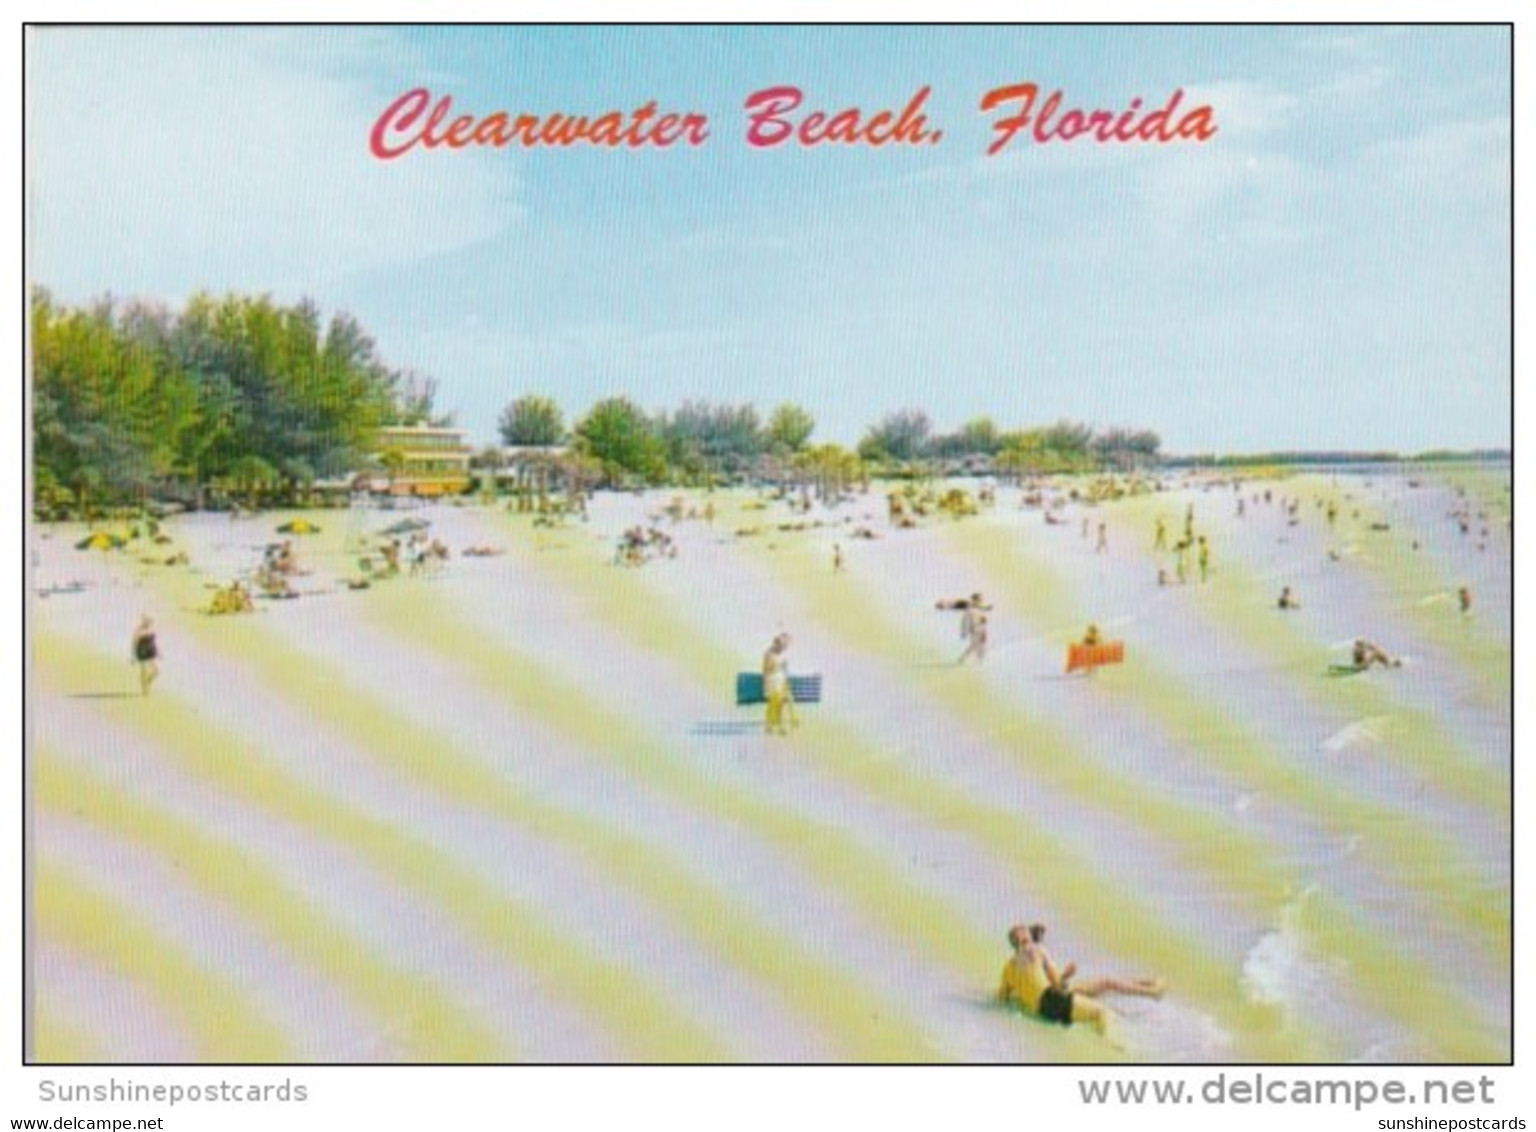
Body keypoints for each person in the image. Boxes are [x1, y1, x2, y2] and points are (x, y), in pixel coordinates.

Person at [997, 923, 1163, 1037]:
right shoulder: (1037, 951)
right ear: (1028, 940)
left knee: (1105, 986)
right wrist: (1067, 974)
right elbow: (1058, 986)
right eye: (1030, 939)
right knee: (1103, 1009)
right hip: (1052, 997)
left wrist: (1022, 998)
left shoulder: (1008, 968)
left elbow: (1002, 998)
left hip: (1043, 1007)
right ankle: (1110, 1049)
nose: (1031, 944)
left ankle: (1150, 987)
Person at [763, 633, 797, 737]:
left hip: (781, 681)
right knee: (775, 703)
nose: (784, 649)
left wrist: (786, 676)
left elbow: (785, 670)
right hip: (772, 681)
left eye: (785, 647)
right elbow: (767, 669)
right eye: (783, 646)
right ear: (777, 644)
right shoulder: (768, 653)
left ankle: (779, 726)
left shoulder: (782, 654)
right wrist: (779, 666)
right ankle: (771, 725)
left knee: (783, 703)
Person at [131, 615, 159, 697]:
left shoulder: (152, 629)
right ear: (144, 621)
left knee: (157, 671)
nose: (149, 622)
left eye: (150, 621)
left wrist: (159, 652)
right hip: (142, 651)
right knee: (144, 670)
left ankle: (147, 682)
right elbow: (134, 643)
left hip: (151, 651)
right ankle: (144, 690)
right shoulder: (138, 630)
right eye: (147, 621)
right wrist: (133, 656)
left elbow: (154, 641)